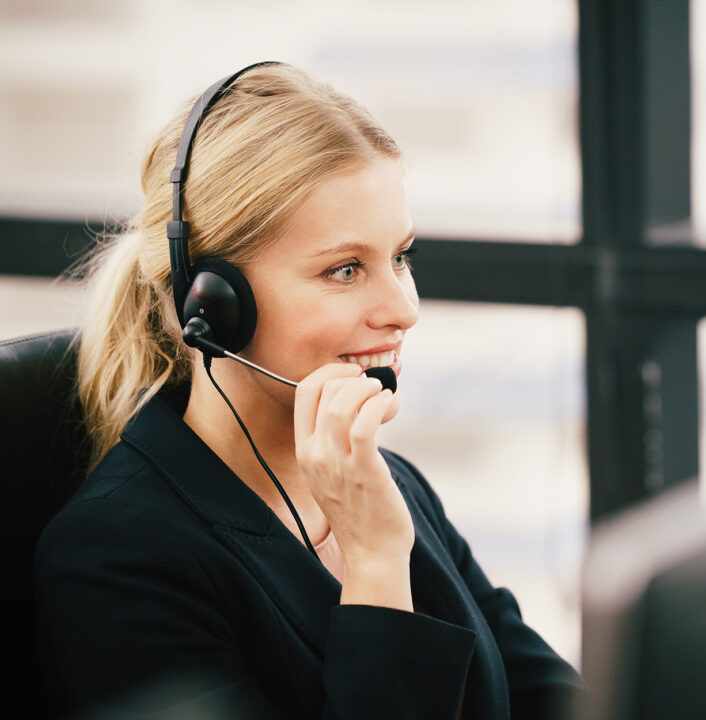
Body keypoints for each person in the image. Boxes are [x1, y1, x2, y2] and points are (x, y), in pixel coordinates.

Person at [34, 62, 585, 719]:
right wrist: (375, 564)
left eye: (400, 257)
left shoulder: (388, 484)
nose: (403, 308)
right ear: (213, 301)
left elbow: (551, 697)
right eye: (345, 269)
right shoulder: (117, 559)